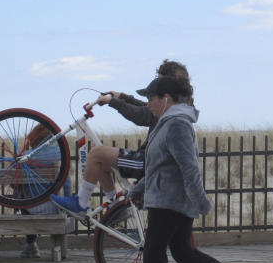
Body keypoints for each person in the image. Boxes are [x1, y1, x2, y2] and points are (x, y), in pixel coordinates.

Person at [125, 75, 246, 263]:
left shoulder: (177, 125)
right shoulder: (168, 122)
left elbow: (188, 167)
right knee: (181, 252)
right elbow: (161, 166)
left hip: (171, 201)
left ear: (166, 99)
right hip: (167, 198)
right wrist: (139, 190)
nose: (148, 103)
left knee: (154, 250)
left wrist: (199, 201)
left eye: (151, 98)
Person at [52, 59, 191, 214]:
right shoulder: (178, 106)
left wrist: (113, 102)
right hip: (151, 160)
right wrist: (120, 96)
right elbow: (146, 107)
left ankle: (81, 202)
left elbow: (141, 115)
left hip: (147, 162)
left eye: (158, 80)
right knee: (102, 164)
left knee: (96, 154)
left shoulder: (170, 110)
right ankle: (114, 207)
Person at [19, 124, 72, 258]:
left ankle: (30, 243)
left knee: (23, 199)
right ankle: (57, 247)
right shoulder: (60, 153)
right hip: (54, 206)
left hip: (31, 208)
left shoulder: (25, 156)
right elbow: (66, 185)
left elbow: (16, 186)